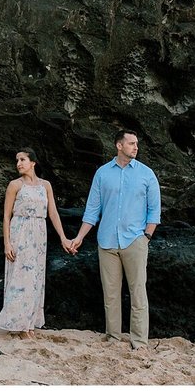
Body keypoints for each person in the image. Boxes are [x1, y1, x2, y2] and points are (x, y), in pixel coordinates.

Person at [69, 129, 161, 349]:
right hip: (107, 241)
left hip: (135, 240)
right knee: (110, 294)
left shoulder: (146, 174)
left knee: (138, 294)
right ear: (119, 145)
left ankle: (139, 342)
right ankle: (113, 337)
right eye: (131, 143)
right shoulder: (102, 173)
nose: (135, 147)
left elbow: (154, 211)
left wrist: (146, 236)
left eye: (137, 144)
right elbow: (92, 210)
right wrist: (79, 237)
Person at [0, 147, 73, 339]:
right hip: (19, 232)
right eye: (17, 160)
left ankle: (29, 324)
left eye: (23, 159)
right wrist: (7, 243)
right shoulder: (15, 185)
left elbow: (53, 213)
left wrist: (63, 237)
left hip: (39, 233)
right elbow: (6, 216)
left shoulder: (45, 185)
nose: (19, 163)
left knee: (35, 279)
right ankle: (18, 325)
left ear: (33, 163)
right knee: (20, 278)